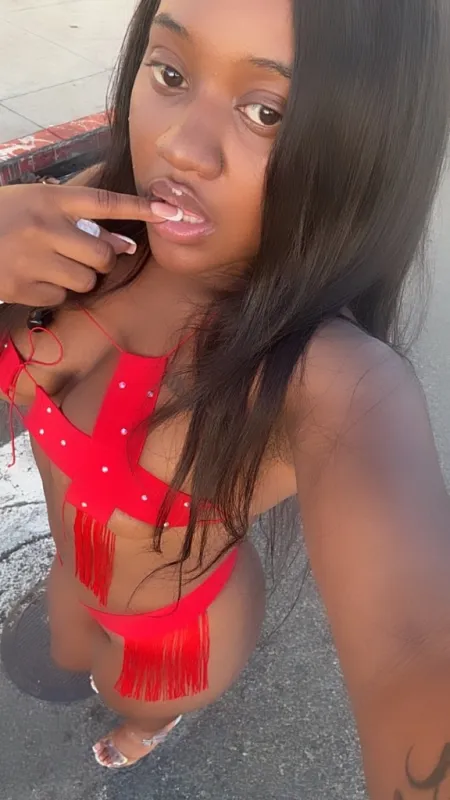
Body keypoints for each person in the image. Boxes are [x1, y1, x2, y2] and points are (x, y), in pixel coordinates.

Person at [0, 0, 449, 795]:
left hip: (173, 642)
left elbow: (416, 652)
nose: (180, 145)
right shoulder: (92, 212)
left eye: (266, 112)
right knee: (68, 649)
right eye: (170, 72)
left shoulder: (334, 379)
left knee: (132, 705)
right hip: (71, 576)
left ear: (362, 150)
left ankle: (152, 728)